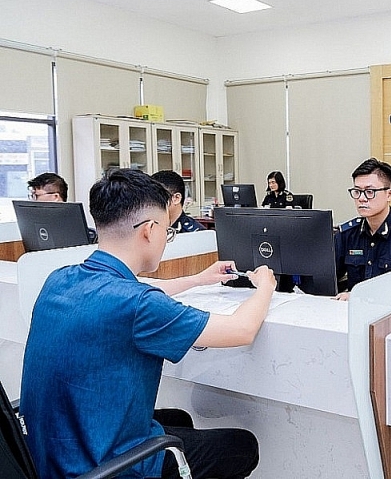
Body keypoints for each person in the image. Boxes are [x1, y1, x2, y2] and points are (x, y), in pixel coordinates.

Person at [19, 168, 276, 478]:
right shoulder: (139, 305)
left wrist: (198, 279)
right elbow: (242, 329)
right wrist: (265, 286)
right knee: (241, 445)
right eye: (167, 232)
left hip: (49, 459)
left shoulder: (60, 280)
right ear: (149, 230)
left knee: (179, 419)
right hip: (103, 468)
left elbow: (132, 291)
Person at [334, 158, 391, 301]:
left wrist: (360, 297)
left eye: (370, 192)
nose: (362, 199)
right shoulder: (347, 234)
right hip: (351, 313)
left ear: (389, 194)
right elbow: (328, 279)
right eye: (357, 191)